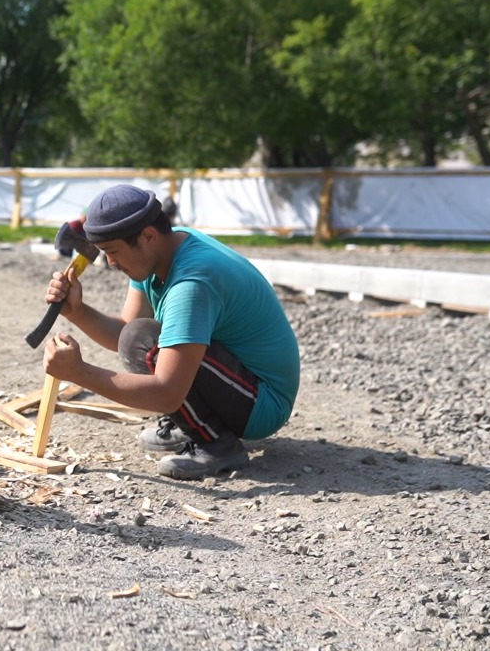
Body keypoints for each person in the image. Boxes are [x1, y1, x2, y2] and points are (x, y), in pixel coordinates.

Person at [42, 184, 300, 480]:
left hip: (263, 403)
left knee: (148, 346)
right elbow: (125, 334)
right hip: (241, 381)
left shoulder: (191, 282)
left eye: (113, 252)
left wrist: (80, 373)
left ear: (148, 236)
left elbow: (166, 392)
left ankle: (217, 444)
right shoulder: (161, 251)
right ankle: (195, 421)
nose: (110, 263)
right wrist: (77, 311)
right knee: (138, 337)